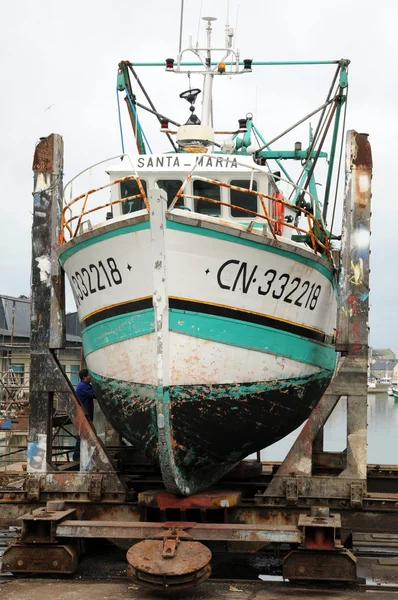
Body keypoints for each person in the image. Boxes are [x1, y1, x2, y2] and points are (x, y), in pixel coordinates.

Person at [72, 368, 95, 461]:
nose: (90, 377)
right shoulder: (83, 387)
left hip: (86, 414)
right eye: (89, 375)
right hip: (83, 415)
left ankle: (81, 455)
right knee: (82, 435)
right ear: (84, 377)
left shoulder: (86, 385)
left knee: (84, 435)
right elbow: (95, 394)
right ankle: (77, 456)